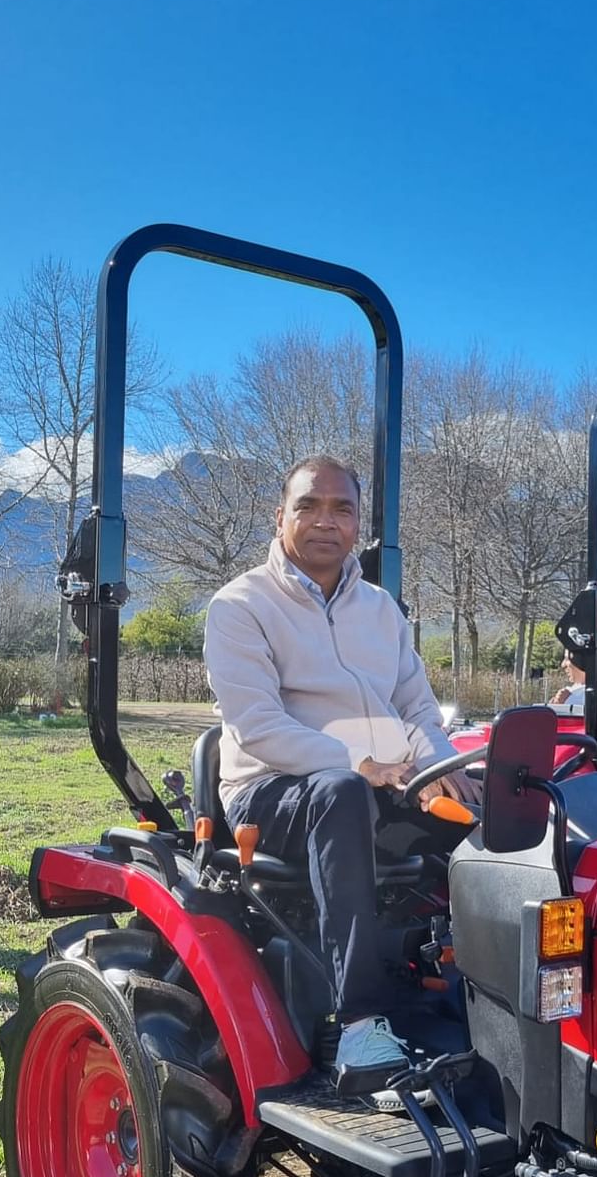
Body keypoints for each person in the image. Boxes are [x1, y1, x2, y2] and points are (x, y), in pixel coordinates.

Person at [204, 455, 479, 1092]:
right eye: (309, 505)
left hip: (379, 778)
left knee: (491, 805)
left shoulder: (381, 610)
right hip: (273, 788)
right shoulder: (241, 605)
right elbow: (258, 728)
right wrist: (361, 764)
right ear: (280, 517)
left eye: (342, 508)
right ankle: (358, 1021)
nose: (326, 520)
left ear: (359, 525)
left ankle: (491, 991)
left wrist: (439, 765)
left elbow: (416, 705)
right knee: (341, 793)